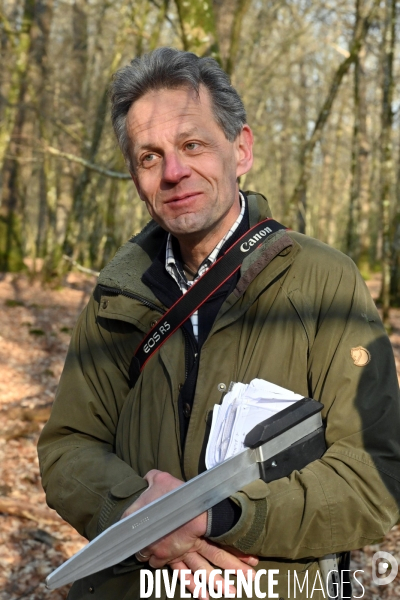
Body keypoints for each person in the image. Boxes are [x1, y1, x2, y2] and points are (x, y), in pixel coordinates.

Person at [38, 47, 400, 600]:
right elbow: (68, 448)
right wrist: (135, 507)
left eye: (192, 145)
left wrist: (217, 516)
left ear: (241, 149)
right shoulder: (118, 298)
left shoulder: (325, 284)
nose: (174, 172)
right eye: (149, 156)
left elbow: (373, 480)